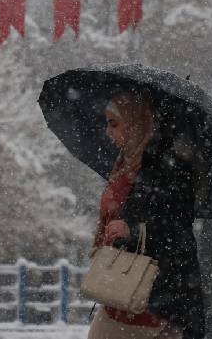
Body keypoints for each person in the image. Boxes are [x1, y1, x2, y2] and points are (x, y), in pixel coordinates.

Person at [87, 91, 205, 339]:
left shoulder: (165, 166)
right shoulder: (124, 165)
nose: (108, 132)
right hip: (121, 288)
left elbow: (176, 227)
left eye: (114, 123)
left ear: (135, 122)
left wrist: (133, 229)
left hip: (153, 294)